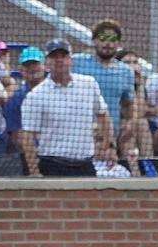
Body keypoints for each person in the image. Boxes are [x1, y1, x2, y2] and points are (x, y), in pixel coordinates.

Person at [19, 39, 113, 177]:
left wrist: (109, 146)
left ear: (71, 60)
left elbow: (103, 115)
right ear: (47, 63)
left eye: (63, 56)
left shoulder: (89, 84)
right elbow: (28, 136)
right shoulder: (35, 95)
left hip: (85, 164)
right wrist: (34, 171)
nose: (59, 60)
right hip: (52, 165)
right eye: (54, 57)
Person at [71, 19, 134, 145]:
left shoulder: (126, 71)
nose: (108, 43)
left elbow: (128, 104)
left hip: (110, 140)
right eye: (103, 38)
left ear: (118, 43)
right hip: (78, 135)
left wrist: (129, 123)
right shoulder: (76, 63)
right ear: (94, 41)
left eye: (112, 39)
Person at [114, 48, 154, 174]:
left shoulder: (140, 87)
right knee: (129, 126)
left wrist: (140, 84)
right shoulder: (114, 84)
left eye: (135, 62)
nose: (132, 66)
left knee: (141, 123)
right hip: (114, 131)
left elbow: (140, 113)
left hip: (134, 130)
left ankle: (150, 169)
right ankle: (133, 173)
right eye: (127, 63)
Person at [2, 47, 44, 154]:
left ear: (44, 66)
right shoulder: (15, 99)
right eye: (27, 65)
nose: (32, 68)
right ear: (21, 70)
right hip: (29, 154)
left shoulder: (56, 93)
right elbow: (16, 135)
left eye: (35, 63)